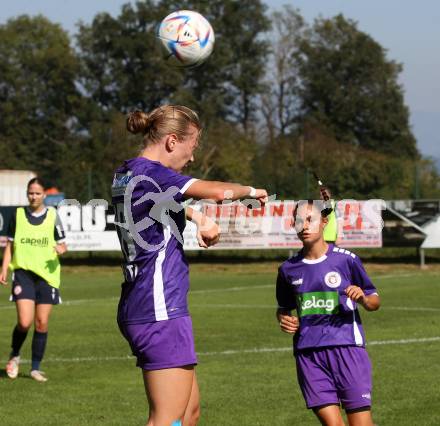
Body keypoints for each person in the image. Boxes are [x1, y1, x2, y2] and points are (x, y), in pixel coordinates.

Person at [111, 105, 268, 426]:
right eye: (192, 146)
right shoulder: (151, 174)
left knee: (188, 413)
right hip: (158, 308)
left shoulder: (129, 171)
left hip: (147, 304)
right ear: (171, 141)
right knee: (166, 420)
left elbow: (157, 205)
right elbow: (217, 191)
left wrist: (197, 218)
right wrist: (251, 191)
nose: (192, 157)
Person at [276, 200, 380, 426]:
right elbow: (284, 308)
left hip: (348, 349)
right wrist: (284, 319)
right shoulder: (287, 269)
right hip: (308, 354)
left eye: (310, 220)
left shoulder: (346, 260)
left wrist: (362, 298)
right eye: (299, 221)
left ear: (324, 222)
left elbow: (374, 301)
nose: (304, 226)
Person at [0, 177, 67, 382]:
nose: (33, 196)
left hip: (47, 276)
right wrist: (3, 268)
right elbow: (10, 245)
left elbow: (63, 244)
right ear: (27, 193)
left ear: (44, 194)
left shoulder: (53, 216)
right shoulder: (18, 215)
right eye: (31, 193)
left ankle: (35, 368)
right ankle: (15, 355)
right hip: (23, 274)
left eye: (37, 193)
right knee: (24, 321)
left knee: (41, 323)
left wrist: (61, 249)